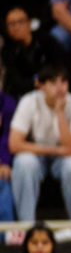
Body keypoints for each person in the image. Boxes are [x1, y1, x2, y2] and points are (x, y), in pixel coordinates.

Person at [9, 64, 71, 222]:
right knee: (24, 163)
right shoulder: (28, 101)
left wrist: (60, 112)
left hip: (61, 159)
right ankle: (28, 228)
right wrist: (56, 150)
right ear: (40, 85)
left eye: (64, 82)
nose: (60, 88)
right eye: (53, 83)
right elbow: (14, 144)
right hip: (37, 155)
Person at [2, 5, 65, 99]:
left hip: (54, 88)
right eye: (12, 24)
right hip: (26, 95)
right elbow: (15, 81)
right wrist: (34, 83)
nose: (17, 27)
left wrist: (46, 81)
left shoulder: (46, 41)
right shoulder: (7, 52)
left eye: (20, 22)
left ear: (29, 23)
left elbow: (59, 65)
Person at [0, 90, 15, 222]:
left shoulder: (8, 104)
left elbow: (7, 136)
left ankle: (4, 235)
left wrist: (4, 162)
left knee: (3, 179)